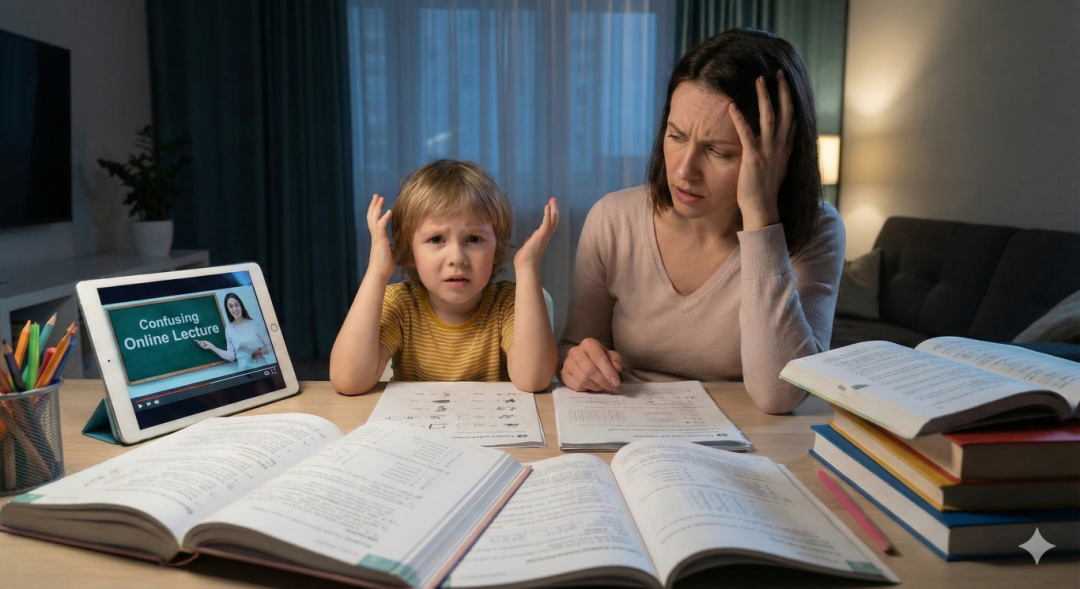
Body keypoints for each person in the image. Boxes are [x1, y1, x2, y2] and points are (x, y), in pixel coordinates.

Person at [558, 28, 845, 414]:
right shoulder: (613, 220)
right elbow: (575, 346)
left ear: (779, 155)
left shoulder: (816, 232)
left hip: (751, 443)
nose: (684, 171)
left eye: (718, 151)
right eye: (676, 137)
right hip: (627, 428)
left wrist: (761, 221)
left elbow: (780, 396)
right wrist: (577, 362)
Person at [330, 159, 559, 395]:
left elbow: (534, 380)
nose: (457, 258)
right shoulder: (400, 303)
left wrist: (528, 268)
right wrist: (376, 273)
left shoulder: (508, 304)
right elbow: (349, 380)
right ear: (410, 252)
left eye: (473, 239)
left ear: (495, 250)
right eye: (437, 239)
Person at [195, 293, 273, 371]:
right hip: (245, 372)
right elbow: (231, 357)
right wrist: (211, 346)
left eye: (236, 305)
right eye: (231, 306)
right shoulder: (229, 329)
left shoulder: (254, 324)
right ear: (228, 309)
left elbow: (269, 346)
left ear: (241, 305)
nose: (235, 309)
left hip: (262, 368)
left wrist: (260, 352)